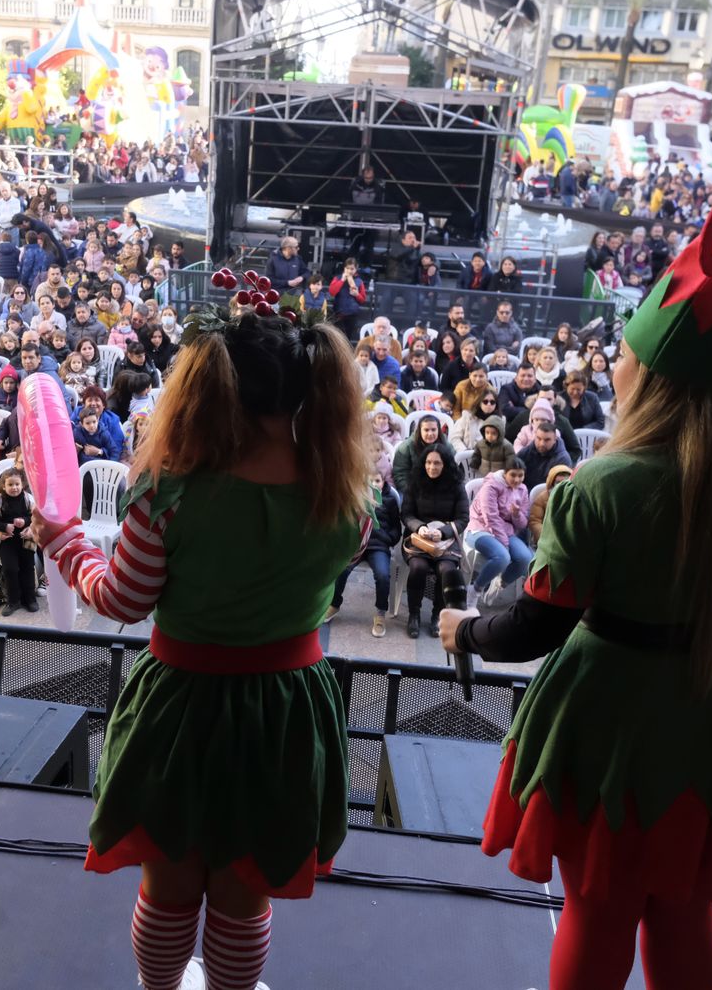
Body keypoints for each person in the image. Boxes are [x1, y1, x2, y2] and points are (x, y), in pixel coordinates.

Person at [440, 170, 712, 990]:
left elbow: (535, 627)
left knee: (599, 908)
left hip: (617, 725)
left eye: (620, 356)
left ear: (643, 374)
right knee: (688, 908)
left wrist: (462, 630)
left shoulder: (597, 491)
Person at [29, 308, 373, 990]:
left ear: (211, 387)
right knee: (246, 889)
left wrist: (65, 544)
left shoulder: (170, 492)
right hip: (284, 708)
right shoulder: (348, 499)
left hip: (181, 706)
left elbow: (123, 601)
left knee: (171, 882)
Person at [400, 446, 467, 639]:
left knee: (446, 570)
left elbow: (463, 518)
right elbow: (406, 514)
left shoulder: (456, 485)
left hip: (444, 541)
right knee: (418, 568)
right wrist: (419, 527)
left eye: (437, 463)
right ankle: (414, 614)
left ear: (445, 464)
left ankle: (438, 614)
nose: (432, 467)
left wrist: (443, 532)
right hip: (418, 539)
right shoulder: (415, 483)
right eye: (428, 462)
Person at [326, 472, 400, 637]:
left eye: (377, 481)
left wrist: (387, 539)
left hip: (378, 546)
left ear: (384, 482)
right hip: (357, 545)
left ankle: (380, 612)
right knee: (342, 570)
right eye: (370, 481)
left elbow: (397, 529)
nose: (374, 485)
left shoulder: (389, 500)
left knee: (382, 575)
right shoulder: (356, 498)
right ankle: (334, 604)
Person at [468, 456, 533, 595]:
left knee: (526, 558)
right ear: (505, 473)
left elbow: (522, 524)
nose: (517, 479)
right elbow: (490, 517)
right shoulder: (491, 486)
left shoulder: (522, 489)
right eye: (513, 475)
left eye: (520, 475)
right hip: (480, 528)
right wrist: (505, 543)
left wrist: (516, 514)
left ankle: (500, 583)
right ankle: (475, 590)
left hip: (506, 530)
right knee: (502, 557)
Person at [0, 466, 40, 615]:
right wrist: (3, 526)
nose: (14, 488)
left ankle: (30, 599)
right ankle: (13, 600)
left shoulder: (27, 498)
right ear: (3, 485)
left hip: (27, 539)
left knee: (28, 567)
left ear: (22, 485)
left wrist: (26, 522)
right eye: (10, 485)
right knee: (10, 569)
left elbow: (36, 516)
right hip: (8, 541)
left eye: (17, 484)